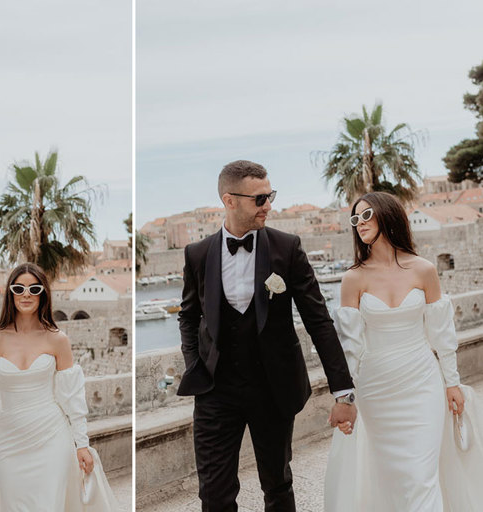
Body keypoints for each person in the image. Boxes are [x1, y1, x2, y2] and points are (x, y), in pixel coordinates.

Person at [177, 160, 356, 512]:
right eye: (260, 199)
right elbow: (188, 316)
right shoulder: (197, 254)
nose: (268, 206)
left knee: (277, 483)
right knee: (214, 493)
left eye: (270, 196)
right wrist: (195, 365)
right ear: (230, 200)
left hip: (273, 387)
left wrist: (343, 391)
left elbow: (318, 319)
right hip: (216, 391)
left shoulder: (287, 248)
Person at [325, 191, 483, 511]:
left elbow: (442, 334)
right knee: (392, 476)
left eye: (367, 215)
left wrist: (451, 382)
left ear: (388, 215)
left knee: (421, 475)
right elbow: (351, 348)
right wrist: (345, 399)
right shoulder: (353, 278)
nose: (360, 224)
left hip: (422, 382)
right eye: (355, 219)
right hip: (377, 389)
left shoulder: (423, 270)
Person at [0, 262, 117, 511]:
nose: (26, 294)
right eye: (19, 288)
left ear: (43, 294)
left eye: (34, 289)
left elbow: (72, 398)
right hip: (8, 440)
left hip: (51, 436)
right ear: (10, 293)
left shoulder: (57, 339)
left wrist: (82, 444)